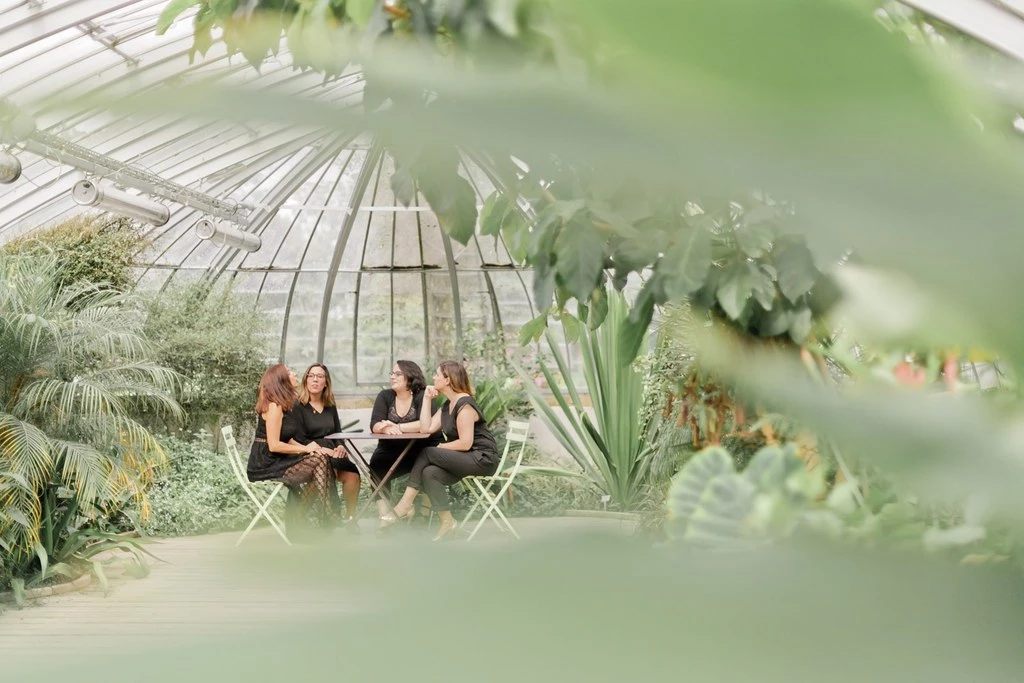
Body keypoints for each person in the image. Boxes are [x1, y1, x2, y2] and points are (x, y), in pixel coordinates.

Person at [390, 361, 499, 541]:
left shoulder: (464, 404)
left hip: (483, 458)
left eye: (437, 374)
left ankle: (405, 504)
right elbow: (426, 428)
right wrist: (426, 399)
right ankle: (447, 522)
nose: (433, 377)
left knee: (428, 452)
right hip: (466, 457)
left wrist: (440, 447)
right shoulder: (447, 405)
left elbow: (465, 443)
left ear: (447, 380)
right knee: (430, 473)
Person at [247, 363, 335, 522]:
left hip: (276, 458)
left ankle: (316, 515)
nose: (294, 374)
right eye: (289, 372)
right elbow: (274, 445)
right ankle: (326, 514)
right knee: (319, 461)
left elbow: (287, 438)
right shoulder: (274, 406)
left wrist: (308, 448)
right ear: (282, 380)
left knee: (320, 460)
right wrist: (306, 450)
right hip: (265, 463)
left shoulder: (284, 404)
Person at [369, 360, 437, 526]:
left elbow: (425, 425)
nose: (393, 377)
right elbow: (375, 424)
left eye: (397, 373)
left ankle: (419, 514)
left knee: (427, 466)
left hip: (418, 450)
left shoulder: (423, 396)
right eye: (391, 373)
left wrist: (397, 426)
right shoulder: (385, 396)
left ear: (410, 376)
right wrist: (384, 429)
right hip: (390, 450)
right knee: (376, 465)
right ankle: (384, 517)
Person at [295, 363, 360, 528]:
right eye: (311, 376)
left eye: (320, 376)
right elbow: (298, 438)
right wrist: (321, 449)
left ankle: (352, 519)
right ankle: (303, 516)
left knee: (353, 475)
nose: (315, 380)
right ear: (305, 380)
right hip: (311, 455)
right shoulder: (298, 406)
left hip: (333, 453)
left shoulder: (330, 405)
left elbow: (338, 432)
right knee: (324, 473)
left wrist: (340, 447)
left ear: (326, 382)